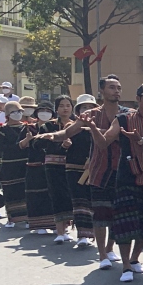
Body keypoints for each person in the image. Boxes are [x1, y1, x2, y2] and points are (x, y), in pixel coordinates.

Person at [90, 83, 143, 282]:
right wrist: (92, 128)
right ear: (138, 99)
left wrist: (142, 140)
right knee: (125, 220)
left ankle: (135, 259)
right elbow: (103, 143)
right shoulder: (123, 119)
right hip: (128, 175)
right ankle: (125, 264)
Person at [64, 75, 124, 269]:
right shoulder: (90, 115)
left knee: (118, 213)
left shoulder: (128, 115)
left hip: (123, 170)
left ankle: (110, 248)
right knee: (99, 213)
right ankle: (101, 255)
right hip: (98, 170)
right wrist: (49, 136)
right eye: (112, 87)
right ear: (102, 91)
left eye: (118, 87)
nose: (116, 91)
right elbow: (68, 132)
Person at [61, 95, 97, 247]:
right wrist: (65, 145)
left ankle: (94, 233)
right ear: (78, 111)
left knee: (93, 202)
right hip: (74, 169)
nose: (88, 110)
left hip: (95, 169)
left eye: (91, 107)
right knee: (79, 202)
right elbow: (61, 146)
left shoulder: (100, 127)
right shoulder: (71, 127)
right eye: (84, 108)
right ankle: (82, 234)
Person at [38, 96, 76, 243]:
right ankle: (59, 231)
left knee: (71, 196)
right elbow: (38, 144)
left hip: (72, 165)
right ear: (57, 109)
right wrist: (59, 144)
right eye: (61, 106)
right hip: (53, 166)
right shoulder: (48, 126)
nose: (65, 108)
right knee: (57, 196)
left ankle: (68, 228)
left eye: (68, 105)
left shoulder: (77, 125)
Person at [21, 100, 58, 236]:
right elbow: (20, 145)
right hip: (34, 165)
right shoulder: (28, 128)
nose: (45, 114)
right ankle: (38, 224)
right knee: (36, 194)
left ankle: (56, 224)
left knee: (53, 194)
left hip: (52, 164)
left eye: (48, 111)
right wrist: (27, 140)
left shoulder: (56, 127)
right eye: (42, 111)